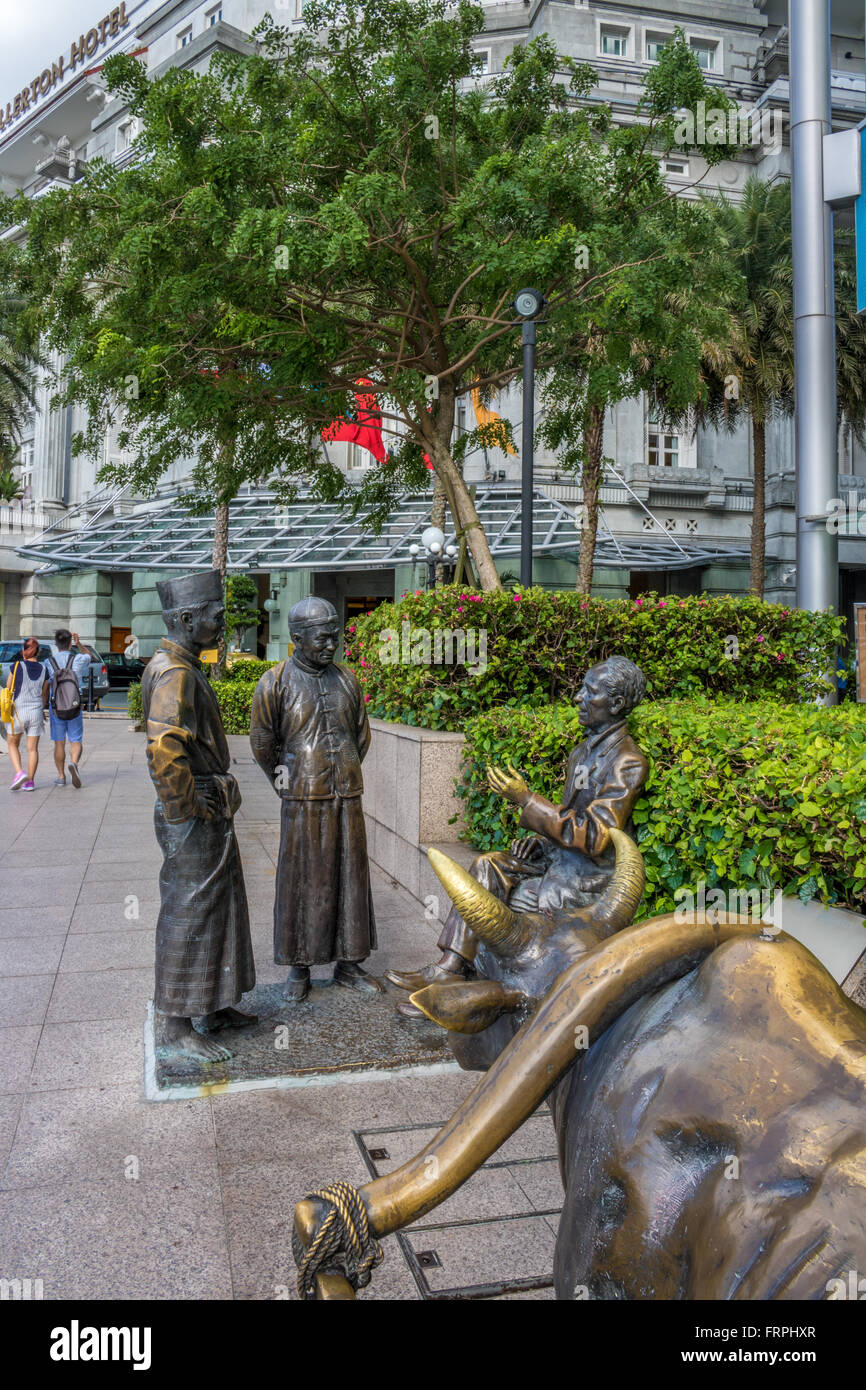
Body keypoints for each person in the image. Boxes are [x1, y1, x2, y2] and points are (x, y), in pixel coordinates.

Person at [387, 655, 649, 1017]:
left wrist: (527, 800)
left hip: (587, 878)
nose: (578, 698)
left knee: (513, 892)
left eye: (590, 691)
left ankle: (469, 988)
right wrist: (540, 843)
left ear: (617, 704)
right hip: (559, 861)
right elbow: (571, 818)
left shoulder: (627, 761)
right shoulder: (583, 751)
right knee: (488, 866)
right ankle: (450, 967)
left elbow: (595, 837)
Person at [142, 570, 256, 1064]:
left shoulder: (182, 664)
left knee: (220, 906)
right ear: (189, 620)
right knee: (190, 912)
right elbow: (164, 750)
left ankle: (214, 1003)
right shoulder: (176, 672)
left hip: (207, 810)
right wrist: (188, 806)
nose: (223, 622)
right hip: (195, 814)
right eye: (217, 614)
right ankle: (176, 1024)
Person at [250, 596, 381, 1004]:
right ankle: (299, 965)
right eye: (322, 638)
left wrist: (341, 767)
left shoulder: (346, 679)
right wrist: (290, 780)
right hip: (303, 796)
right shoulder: (274, 681)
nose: (331, 646)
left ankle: (349, 962)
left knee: (350, 877)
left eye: (335, 637)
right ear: (297, 638)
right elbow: (262, 742)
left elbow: (361, 734)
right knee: (302, 880)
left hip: (346, 791)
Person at [4, 637, 49, 791]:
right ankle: (30, 782)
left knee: (12, 743)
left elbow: (9, 689)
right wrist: (42, 709)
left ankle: (19, 773)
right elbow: (45, 694)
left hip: (19, 711)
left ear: (24, 650)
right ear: (39, 652)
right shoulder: (44, 670)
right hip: (36, 712)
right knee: (32, 749)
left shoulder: (16, 666)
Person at [47, 629, 89, 788]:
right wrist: (79, 644)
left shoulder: (49, 662)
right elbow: (89, 656)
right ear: (70, 643)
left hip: (56, 707)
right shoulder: (77, 659)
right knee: (76, 740)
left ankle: (61, 776)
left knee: (59, 743)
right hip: (74, 706)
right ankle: (74, 763)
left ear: (55, 644)